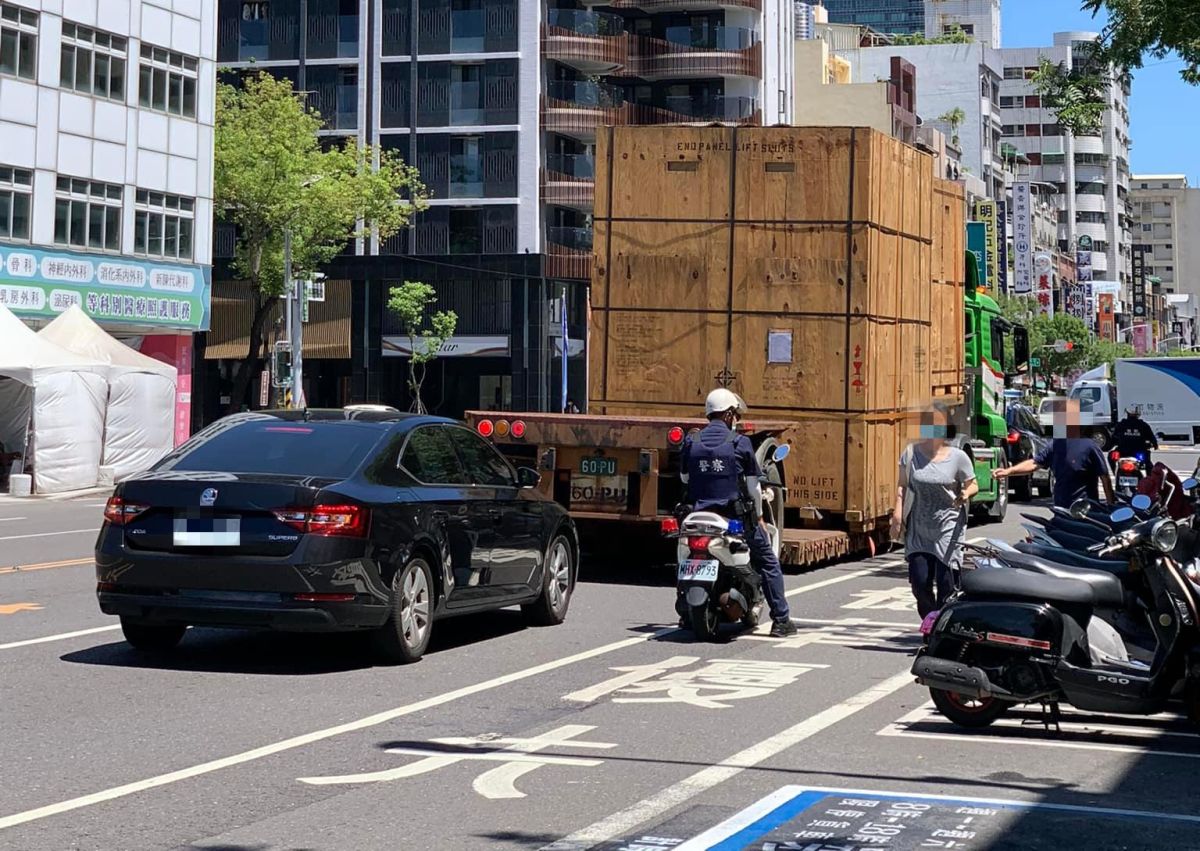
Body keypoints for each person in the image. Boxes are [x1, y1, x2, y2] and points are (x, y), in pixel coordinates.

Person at [680, 389, 796, 637]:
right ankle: (781, 620)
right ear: (730, 414)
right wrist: (760, 519)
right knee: (768, 562)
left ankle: (684, 614)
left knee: (686, 556)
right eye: (736, 415)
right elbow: (754, 488)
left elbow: (684, 477)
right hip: (735, 519)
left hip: (698, 517)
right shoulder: (739, 443)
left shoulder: (692, 442)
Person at [890, 406, 978, 619]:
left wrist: (965, 494)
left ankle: (939, 627)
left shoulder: (958, 457)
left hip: (948, 529)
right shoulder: (911, 454)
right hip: (919, 530)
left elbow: (973, 484)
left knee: (947, 586)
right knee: (920, 583)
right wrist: (897, 514)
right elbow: (902, 486)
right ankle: (931, 622)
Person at [996, 397, 1115, 509]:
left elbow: (1105, 478)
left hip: (1085, 512)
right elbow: (1035, 463)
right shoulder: (1056, 445)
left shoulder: (1090, 447)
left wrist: (1110, 506)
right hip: (1061, 510)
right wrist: (1008, 471)